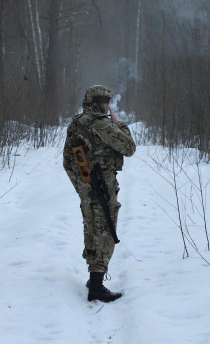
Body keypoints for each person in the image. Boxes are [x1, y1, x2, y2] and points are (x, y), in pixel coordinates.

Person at [63, 85, 136, 302]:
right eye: (107, 102)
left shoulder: (76, 124)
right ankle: (96, 285)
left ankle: (93, 277)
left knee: (91, 227)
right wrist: (118, 123)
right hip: (102, 187)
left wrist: (81, 187)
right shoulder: (102, 125)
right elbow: (129, 148)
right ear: (102, 102)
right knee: (104, 231)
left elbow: (67, 162)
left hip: (87, 188)